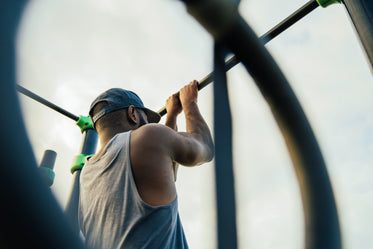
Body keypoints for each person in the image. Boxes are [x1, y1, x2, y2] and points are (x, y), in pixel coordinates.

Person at [78, 80, 214, 249]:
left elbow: (165, 174)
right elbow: (205, 147)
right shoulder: (146, 137)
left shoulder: (86, 175)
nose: (149, 125)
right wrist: (189, 102)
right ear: (132, 113)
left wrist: (172, 114)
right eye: (145, 119)